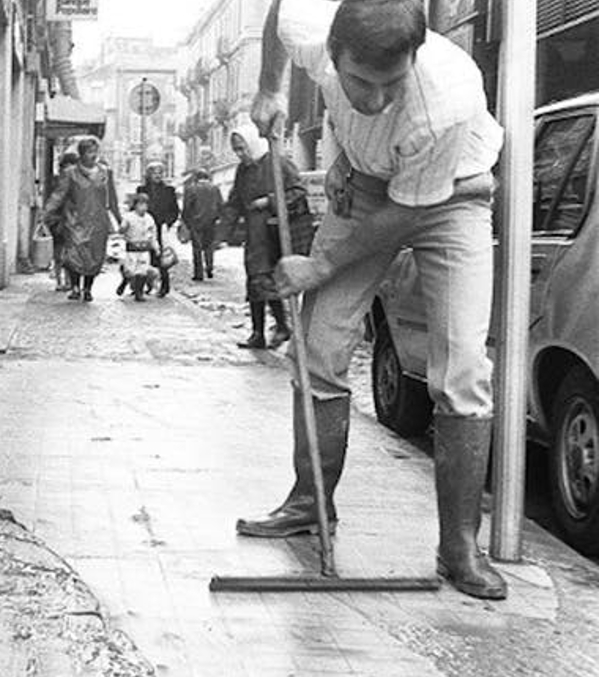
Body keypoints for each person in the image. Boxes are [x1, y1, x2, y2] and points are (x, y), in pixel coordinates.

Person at [235, 0, 508, 600]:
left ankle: (459, 546)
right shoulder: (312, 31)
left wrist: (321, 262)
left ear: (415, 58)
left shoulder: (446, 98)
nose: (379, 99)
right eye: (362, 82)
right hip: (366, 188)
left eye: (394, 83)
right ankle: (311, 503)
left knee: (461, 369)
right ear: (333, 57)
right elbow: (280, 16)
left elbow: (409, 210)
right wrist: (267, 89)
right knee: (320, 345)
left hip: (451, 199)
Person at [223, 124, 313, 350]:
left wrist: (270, 201)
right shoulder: (242, 171)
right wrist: (220, 233)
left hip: (277, 233)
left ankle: (282, 326)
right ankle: (258, 333)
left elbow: (298, 192)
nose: (240, 154)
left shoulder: (278, 163)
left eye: (242, 149)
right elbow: (234, 202)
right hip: (255, 235)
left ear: (252, 144)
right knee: (256, 280)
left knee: (268, 280)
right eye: (236, 150)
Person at [42, 137, 120, 303]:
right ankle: (75, 286)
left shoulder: (105, 173)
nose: (93, 156)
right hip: (75, 219)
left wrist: (119, 220)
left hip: (98, 221)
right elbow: (59, 195)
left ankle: (88, 289)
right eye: (89, 152)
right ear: (82, 154)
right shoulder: (70, 173)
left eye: (95, 152)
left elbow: (112, 198)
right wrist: (47, 212)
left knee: (95, 255)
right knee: (74, 254)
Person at [135, 161, 180, 297]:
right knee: (143, 257)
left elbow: (174, 210)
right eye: (154, 173)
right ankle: (143, 286)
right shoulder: (142, 190)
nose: (158, 175)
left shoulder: (169, 190)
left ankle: (164, 286)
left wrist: (168, 223)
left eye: (160, 173)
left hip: (160, 228)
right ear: (148, 175)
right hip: (144, 228)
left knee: (161, 259)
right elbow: (136, 207)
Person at [181, 168, 224, 281]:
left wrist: (186, 221)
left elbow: (187, 207)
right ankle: (209, 267)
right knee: (209, 246)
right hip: (211, 222)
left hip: (196, 222)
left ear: (196, 177)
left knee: (197, 248)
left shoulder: (191, 189)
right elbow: (221, 205)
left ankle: (198, 273)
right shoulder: (215, 188)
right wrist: (218, 218)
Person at [48, 150, 80, 291]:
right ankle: (60, 280)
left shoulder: (78, 182)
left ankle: (68, 281)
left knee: (68, 253)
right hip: (59, 221)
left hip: (71, 221)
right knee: (59, 252)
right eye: (66, 166)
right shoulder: (57, 181)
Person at [118, 193, 159, 302]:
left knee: (142, 271)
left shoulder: (149, 218)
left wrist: (156, 247)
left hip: (144, 248)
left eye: (145, 205)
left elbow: (153, 234)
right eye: (141, 204)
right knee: (131, 270)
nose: (143, 207)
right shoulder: (129, 217)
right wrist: (123, 228)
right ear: (135, 205)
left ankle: (139, 292)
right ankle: (125, 282)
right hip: (132, 248)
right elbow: (121, 231)